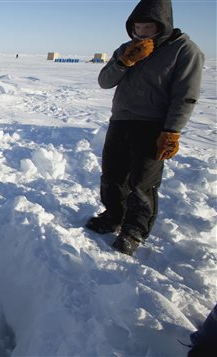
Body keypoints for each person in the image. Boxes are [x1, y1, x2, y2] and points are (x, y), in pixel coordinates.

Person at [86, 0, 204, 256]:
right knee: (112, 175)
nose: (141, 33)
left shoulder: (184, 51)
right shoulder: (127, 48)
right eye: (137, 28)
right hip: (121, 121)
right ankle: (114, 215)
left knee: (142, 183)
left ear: (162, 26)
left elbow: (185, 95)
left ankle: (134, 230)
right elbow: (104, 82)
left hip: (153, 127)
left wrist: (172, 130)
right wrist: (124, 62)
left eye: (147, 28)